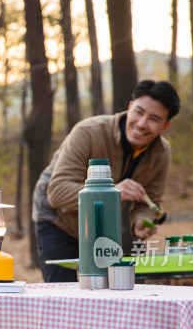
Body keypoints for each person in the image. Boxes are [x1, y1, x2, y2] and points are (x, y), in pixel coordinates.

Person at [31, 79, 180, 282]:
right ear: (129, 107)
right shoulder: (88, 132)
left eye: (154, 119)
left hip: (103, 229)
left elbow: (149, 199)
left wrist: (139, 221)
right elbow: (56, 192)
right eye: (138, 112)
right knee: (64, 293)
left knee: (110, 291)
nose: (142, 123)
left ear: (165, 126)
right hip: (57, 220)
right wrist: (112, 194)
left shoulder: (162, 153)